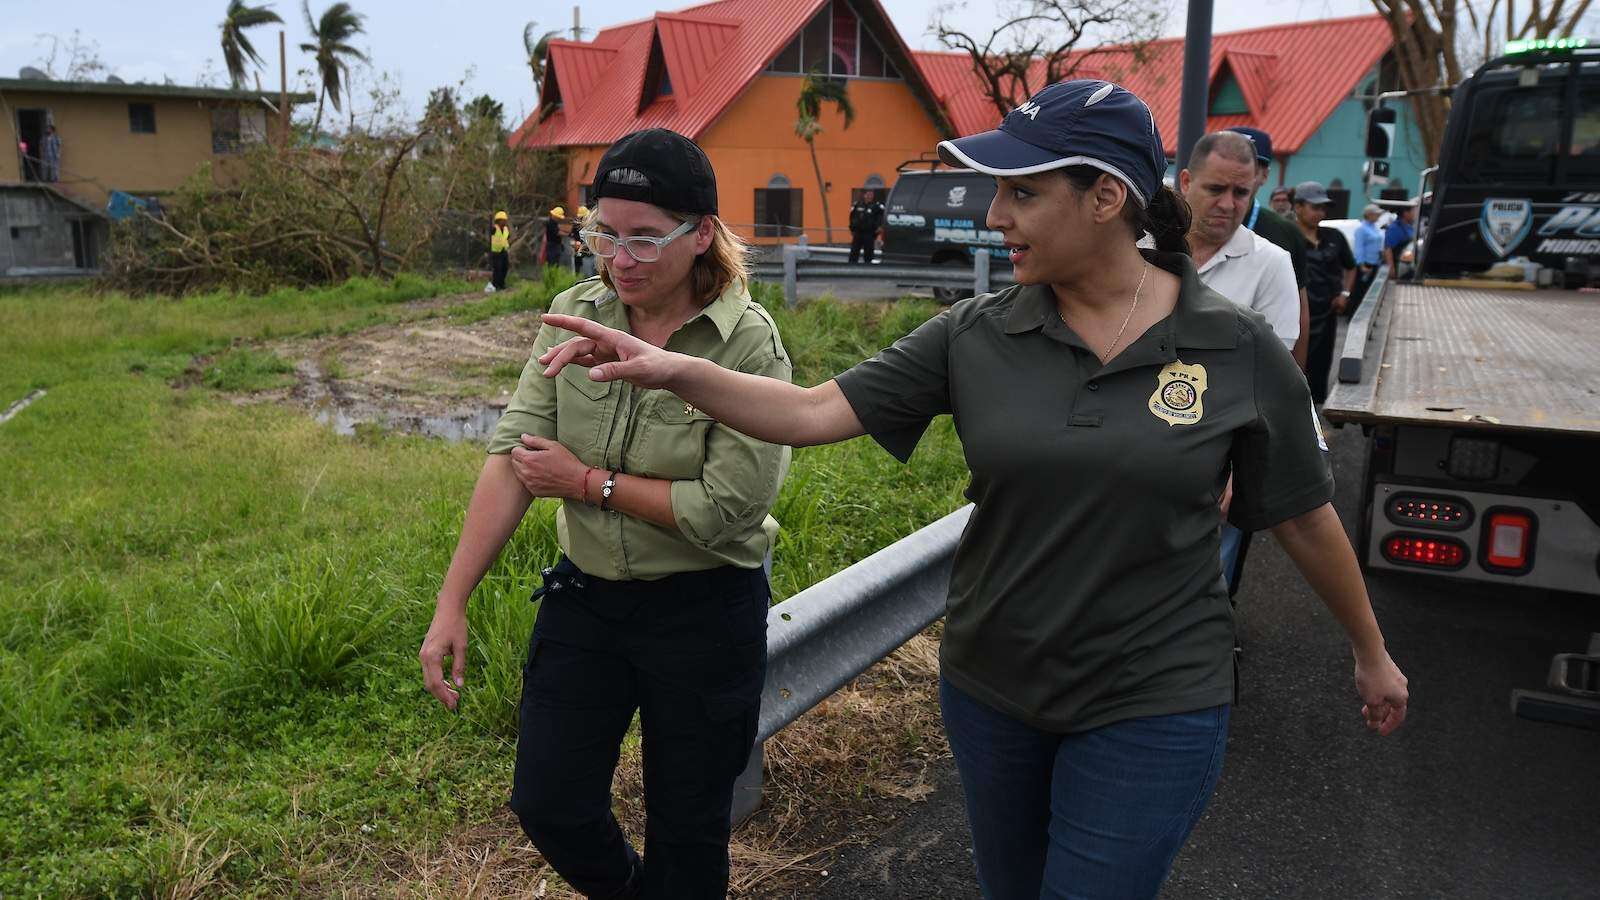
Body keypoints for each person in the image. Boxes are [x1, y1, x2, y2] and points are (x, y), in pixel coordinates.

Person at [534, 81, 1410, 900]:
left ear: (1106, 198)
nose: (994, 218)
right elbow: (808, 413)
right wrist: (670, 369)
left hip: (1156, 693)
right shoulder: (975, 334)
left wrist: (1368, 649)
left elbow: (1299, 513)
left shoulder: (1233, 346)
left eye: (1021, 194)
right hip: (998, 690)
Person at [419, 128, 793, 899]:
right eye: (605, 234)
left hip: (703, 611)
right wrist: (451, 601)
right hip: (587, 600)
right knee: (549, 802)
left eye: (646, 240)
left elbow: (725, 510)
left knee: (688, 829)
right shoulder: (574, 310)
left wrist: (587, 483)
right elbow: (512, 457)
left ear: (701, 238)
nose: (620, 259)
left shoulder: (746, 346)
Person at [1179, 130, 1301, 596]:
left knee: (1205, 585)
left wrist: (1238, 468)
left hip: (1220, 450)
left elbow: (1272, 379)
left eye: (1241, 192)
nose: (1228, 203)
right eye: (1215, 189)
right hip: (1135, 438)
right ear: (1186, 181)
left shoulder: (1271, 264)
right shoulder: (1139, 247)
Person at [1225, 126, 1310, 370]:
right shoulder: (1182, 225)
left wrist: (1297, 382)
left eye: (1253, 163)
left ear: (1264, 175)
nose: (1239, 168)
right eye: (1229, 158)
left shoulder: (1285, 232)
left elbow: (1300, 311)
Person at [1292, 181, 1356, 405]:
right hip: (1296, 314)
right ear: (1298, 207)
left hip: (1327, 313)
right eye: (1315, 207)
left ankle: (1316, 413)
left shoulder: (1334, 237)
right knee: (1294, 367)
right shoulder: (1287, 236)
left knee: (1321, 367)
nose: (1320, 212)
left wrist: (1345, 293)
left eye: (1323, 208)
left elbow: (1350, 266)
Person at [1350, 204, 1385, 315]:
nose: (1378, 216)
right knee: (1359, 290)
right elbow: (1358, 248)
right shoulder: (1361, 229)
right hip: (1365, 264)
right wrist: (1361, 265)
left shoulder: (1374, 227)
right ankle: (1353, 313)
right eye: (1376, 214)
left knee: (1369, 290)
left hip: (1375, 262)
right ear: (1369, 215)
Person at [847, 188, 885, 263]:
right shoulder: (857, 205)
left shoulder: (876, 206)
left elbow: (881, 217)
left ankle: (868, 270)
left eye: (871, 195)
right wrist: (851, 229)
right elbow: (852, 217)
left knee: (868, 255)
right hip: (858, 233)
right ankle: (851, 269)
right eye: (868, 194)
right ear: (864, 195)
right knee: (854, 253)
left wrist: (879, 228)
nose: (870, 196)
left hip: (869, 234)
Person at [1383, 201, 1418, 275]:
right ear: (1405, 213)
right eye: (1413, 211)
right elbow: (1388, 249)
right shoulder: (1394, 228)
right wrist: (1391, 269)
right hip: (1399, 267)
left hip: (1409, 266)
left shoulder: (1409, 227)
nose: (1415, 214)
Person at [488, 210, 511, 292]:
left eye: (505, 220)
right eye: (502, 220)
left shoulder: (505, 229)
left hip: (504, 251)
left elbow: (506, 238)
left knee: (505, 268)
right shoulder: (494, 228)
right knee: (497, 268)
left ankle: (502, 284)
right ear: (498, 221)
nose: (504, 222)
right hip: (496, 252)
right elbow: (490, 231)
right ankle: (496, 284)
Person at [569, 204, 593, 276]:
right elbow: (571, 235)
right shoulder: (576, 225)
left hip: (589, 253)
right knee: (578, 268)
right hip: (578, 250)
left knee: (589, 271)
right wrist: (574, 243)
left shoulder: (591, 224)